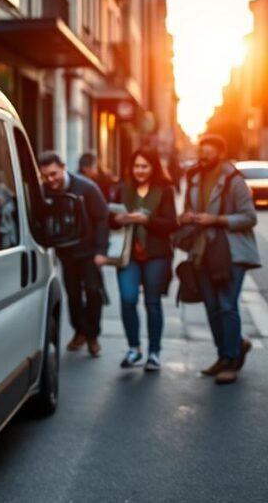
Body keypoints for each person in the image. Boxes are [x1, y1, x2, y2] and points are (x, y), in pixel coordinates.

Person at [178, 134, 260, 385]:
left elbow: (249, 217)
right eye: (202, 152)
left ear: (220, 154)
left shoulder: (234, 181)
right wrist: (187, 217)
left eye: (209, 153)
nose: (204, 157)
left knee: (226, 305)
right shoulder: (194, 178)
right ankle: (226, 353)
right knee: (212, 307)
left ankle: (231, 361)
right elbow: (188, 209)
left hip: (231, 253)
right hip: (202, 251)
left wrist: (218, 220)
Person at [110, 147, 178, 371]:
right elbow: (108, 218)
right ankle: (134, 348)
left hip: (156, 255)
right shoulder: (122, 188)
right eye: (136, 166)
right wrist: (118, 219)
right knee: (128, 300)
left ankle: (154, 353)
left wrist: (147, 221)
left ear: (153, 167)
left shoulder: (164, 191)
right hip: (127, 254)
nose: (140, 171)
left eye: (144, 166)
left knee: (152, 303)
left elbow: (170, 224)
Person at [38, 151, 110, 357]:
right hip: (66, 251)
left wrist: (101, 251)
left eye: (54, 174)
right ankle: (79, 331)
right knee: (73, 294)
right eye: (46, 176)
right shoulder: (44, 191)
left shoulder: (87, 188)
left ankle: (93, 336)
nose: (50, 180)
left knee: (94, 291)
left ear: (63, 168)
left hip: (89, 251)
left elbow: (102, 217)